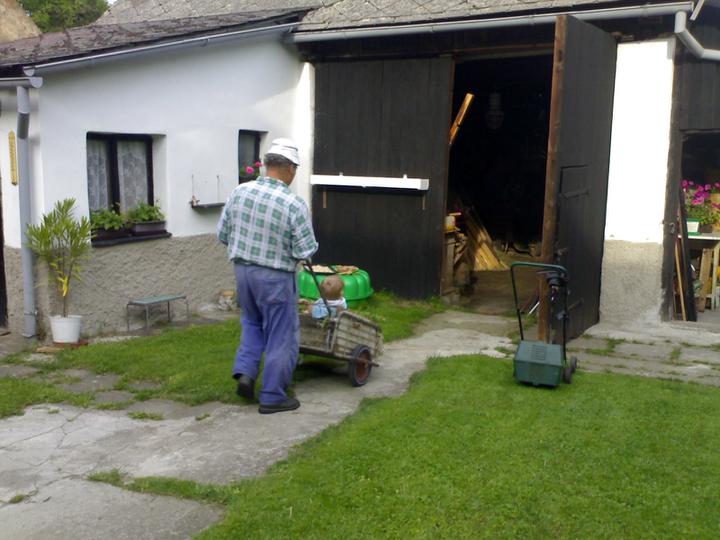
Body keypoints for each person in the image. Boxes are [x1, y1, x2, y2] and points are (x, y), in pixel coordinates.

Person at [217, 138, 318, 414]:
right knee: (281, 334)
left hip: (243, 273)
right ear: (290, 169)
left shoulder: (239, 192)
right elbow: (305, 249)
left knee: (251, 323)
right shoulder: (293, 203)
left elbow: (222, 234)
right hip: (275, 277)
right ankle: (273, 395)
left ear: (266, 165)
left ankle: (246, 374)